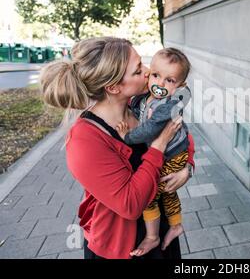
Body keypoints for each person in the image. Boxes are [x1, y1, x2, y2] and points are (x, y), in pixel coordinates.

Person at [39, 37, 195, 259]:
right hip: (121, 245)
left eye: (143, 63)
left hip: (160, 227)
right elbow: (130, 204)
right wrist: (159, 145)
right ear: (113, 87)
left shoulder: (141, 103)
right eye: (138, 69)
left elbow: (182, 134)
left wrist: (187, 167)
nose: (149, 72)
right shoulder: (85, 139)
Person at [116, 48, 193, 256]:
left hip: (174, 154)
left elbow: (149, 129)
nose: (160, 84)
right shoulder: (147, 96)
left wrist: (127, 138)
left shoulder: (169, 104)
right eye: (156, 75)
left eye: (169, 80)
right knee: (168, 193)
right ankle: (176, 225)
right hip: (173, 153)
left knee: (151, 195)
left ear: (180, 86)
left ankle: (153, 236)